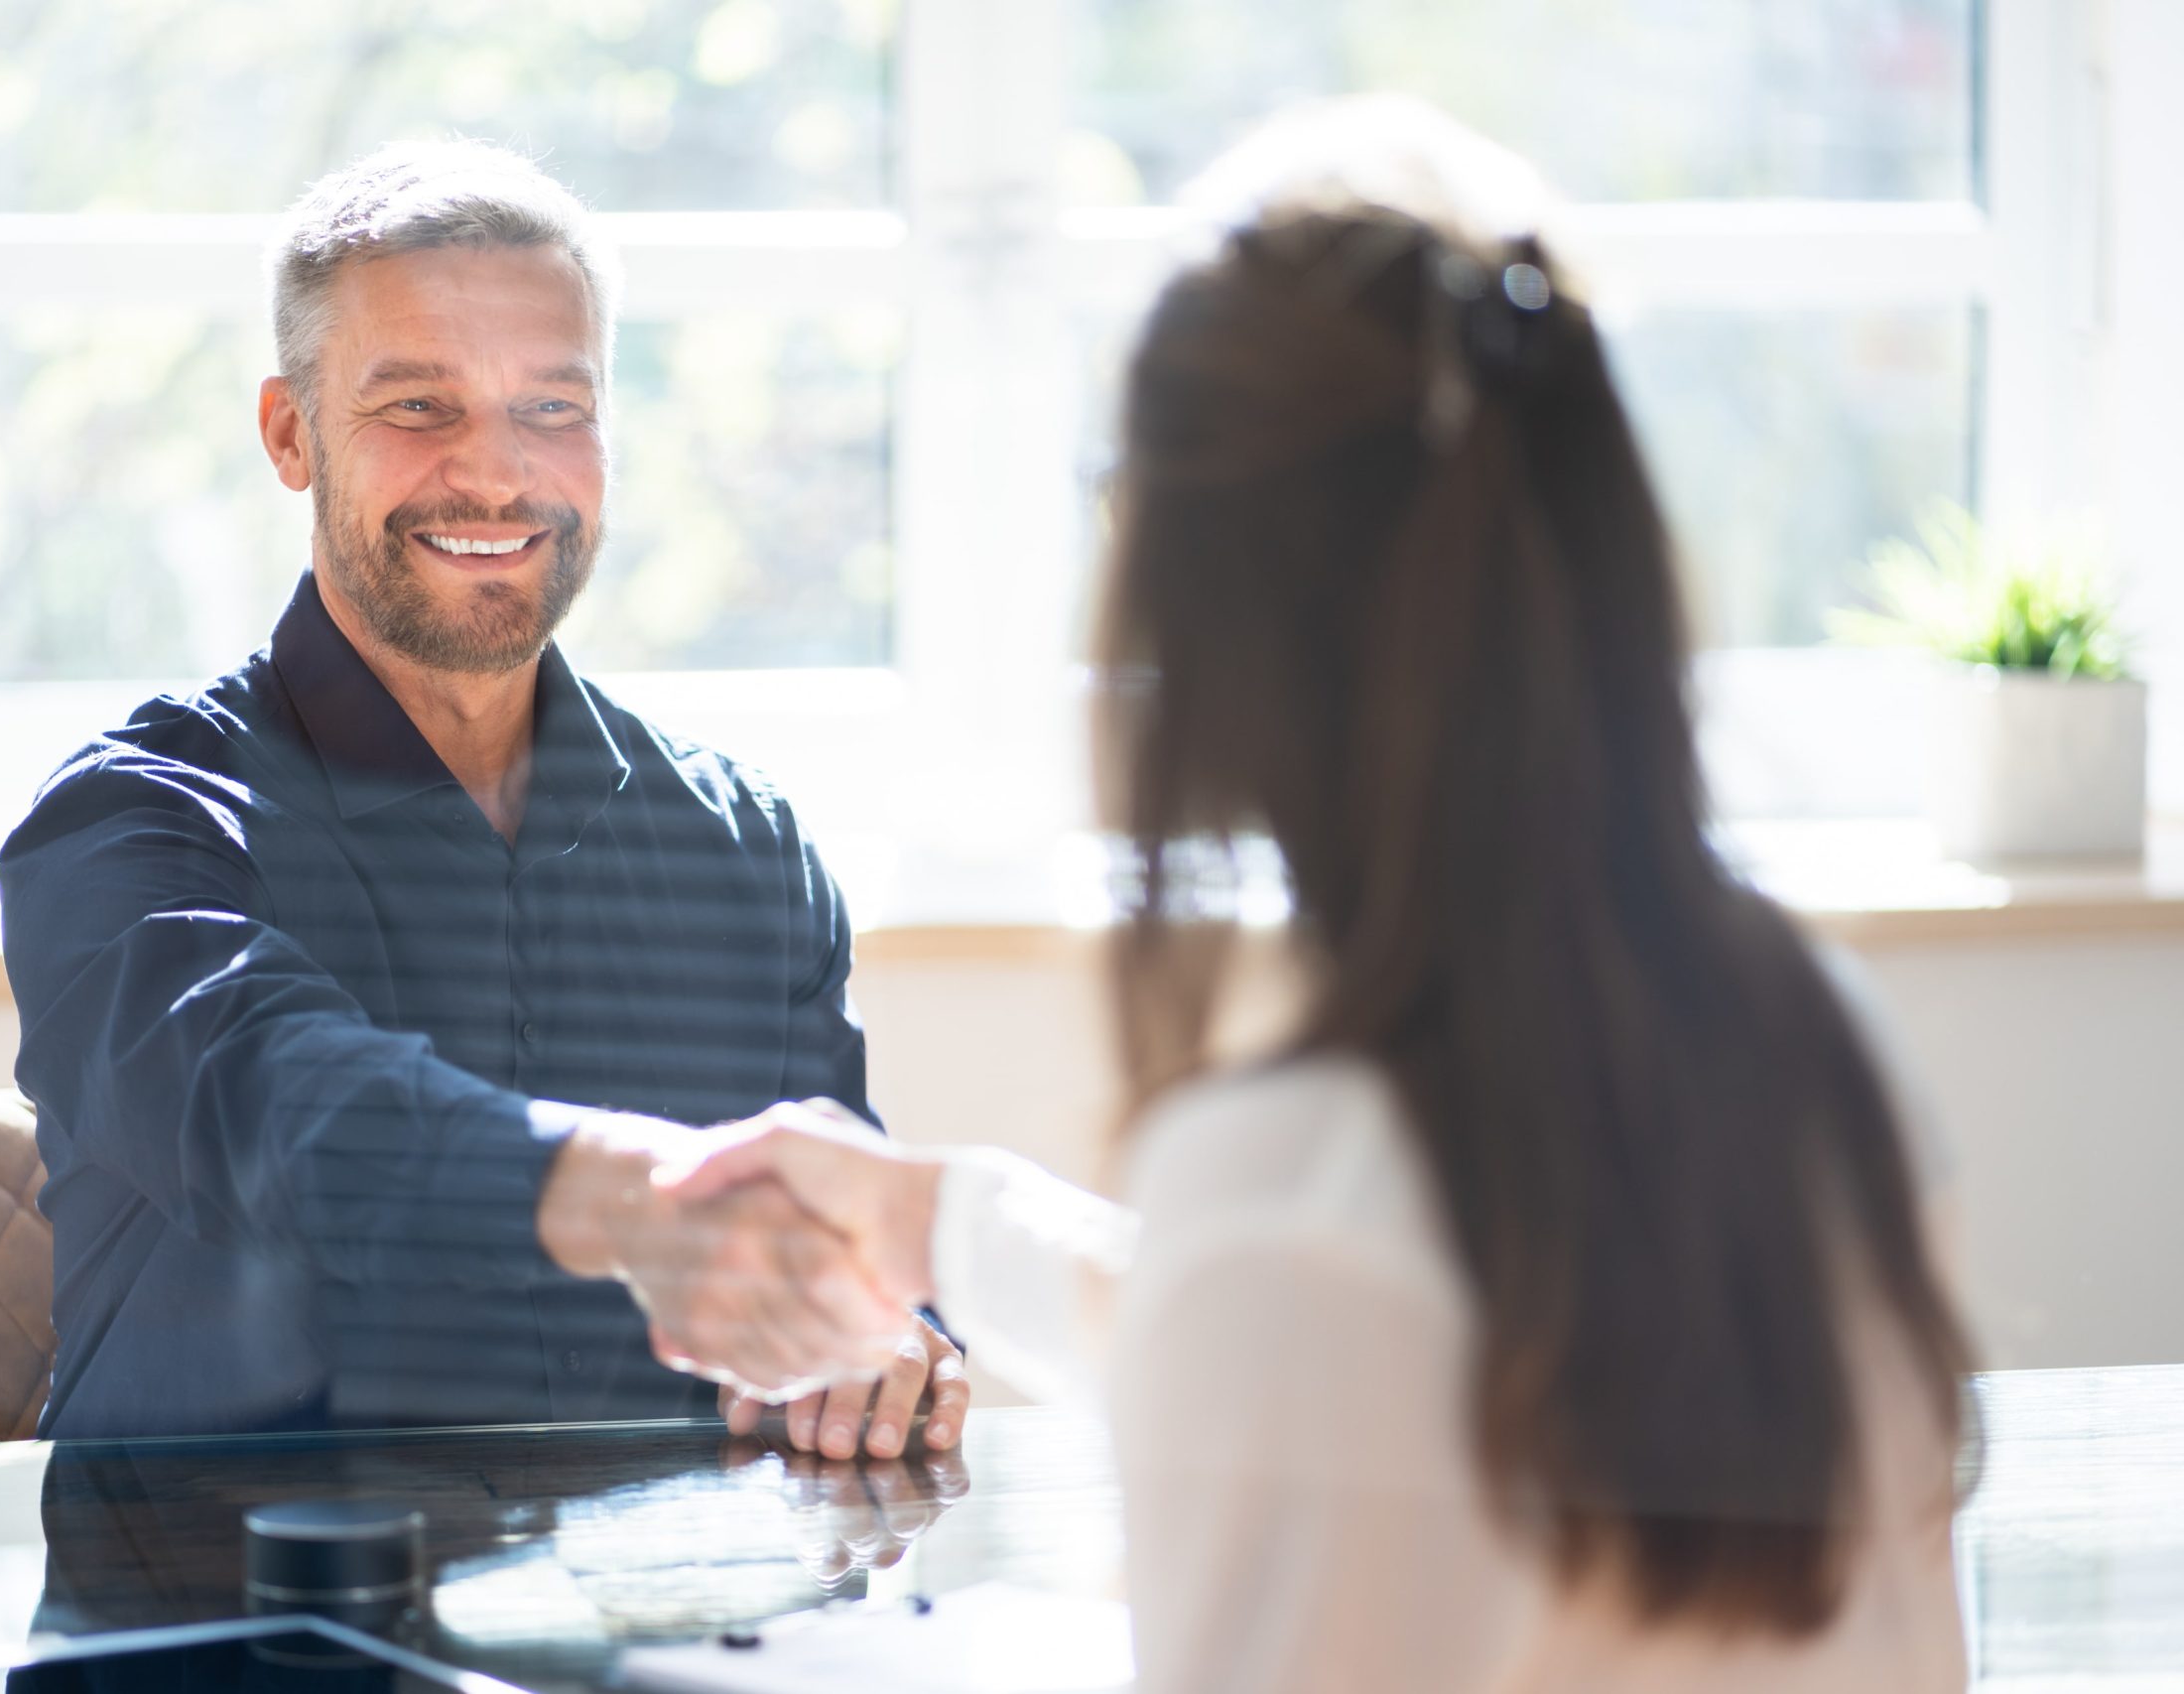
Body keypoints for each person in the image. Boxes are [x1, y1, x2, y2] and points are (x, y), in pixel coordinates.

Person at [663, 99, 1979, 1690]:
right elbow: (1380, 1313)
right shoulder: (1807, 1037)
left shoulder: (1291, 1200)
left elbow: (1312, 1288)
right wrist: (933, 1217)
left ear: (1207, 624)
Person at [0, 140, 967, 1453]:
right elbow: (280, 1107)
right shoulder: (130, 829)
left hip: (656, 1643)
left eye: (552, 409)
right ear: (292, 433)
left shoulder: (747, 850)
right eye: (418, 407)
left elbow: (846, 1268)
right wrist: (631, 1203)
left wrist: (889, 1345)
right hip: (229, 1633)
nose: (496, 474)